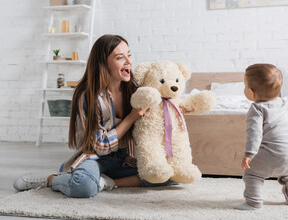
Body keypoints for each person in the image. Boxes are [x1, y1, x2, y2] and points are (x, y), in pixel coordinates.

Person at [13, 35, 176, 198]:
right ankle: (51, 180)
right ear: (103, 62)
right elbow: (99, 145)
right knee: (83, 187)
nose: (129, 61)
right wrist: (131, 117)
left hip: (125, 158)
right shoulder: (88, 95)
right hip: (96, 157)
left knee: (171, 174)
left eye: (129, 55)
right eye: (120, 57)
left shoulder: (135, 89)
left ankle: (107, 182)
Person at [235, 63, 288, 211]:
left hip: (274, 153)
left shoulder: (257, 109)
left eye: (244, 85)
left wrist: (249, 154)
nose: (244, 89)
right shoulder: (286, 104)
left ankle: (253, 203)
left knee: (252, 173)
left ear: (252, 92)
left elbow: (254, 134)